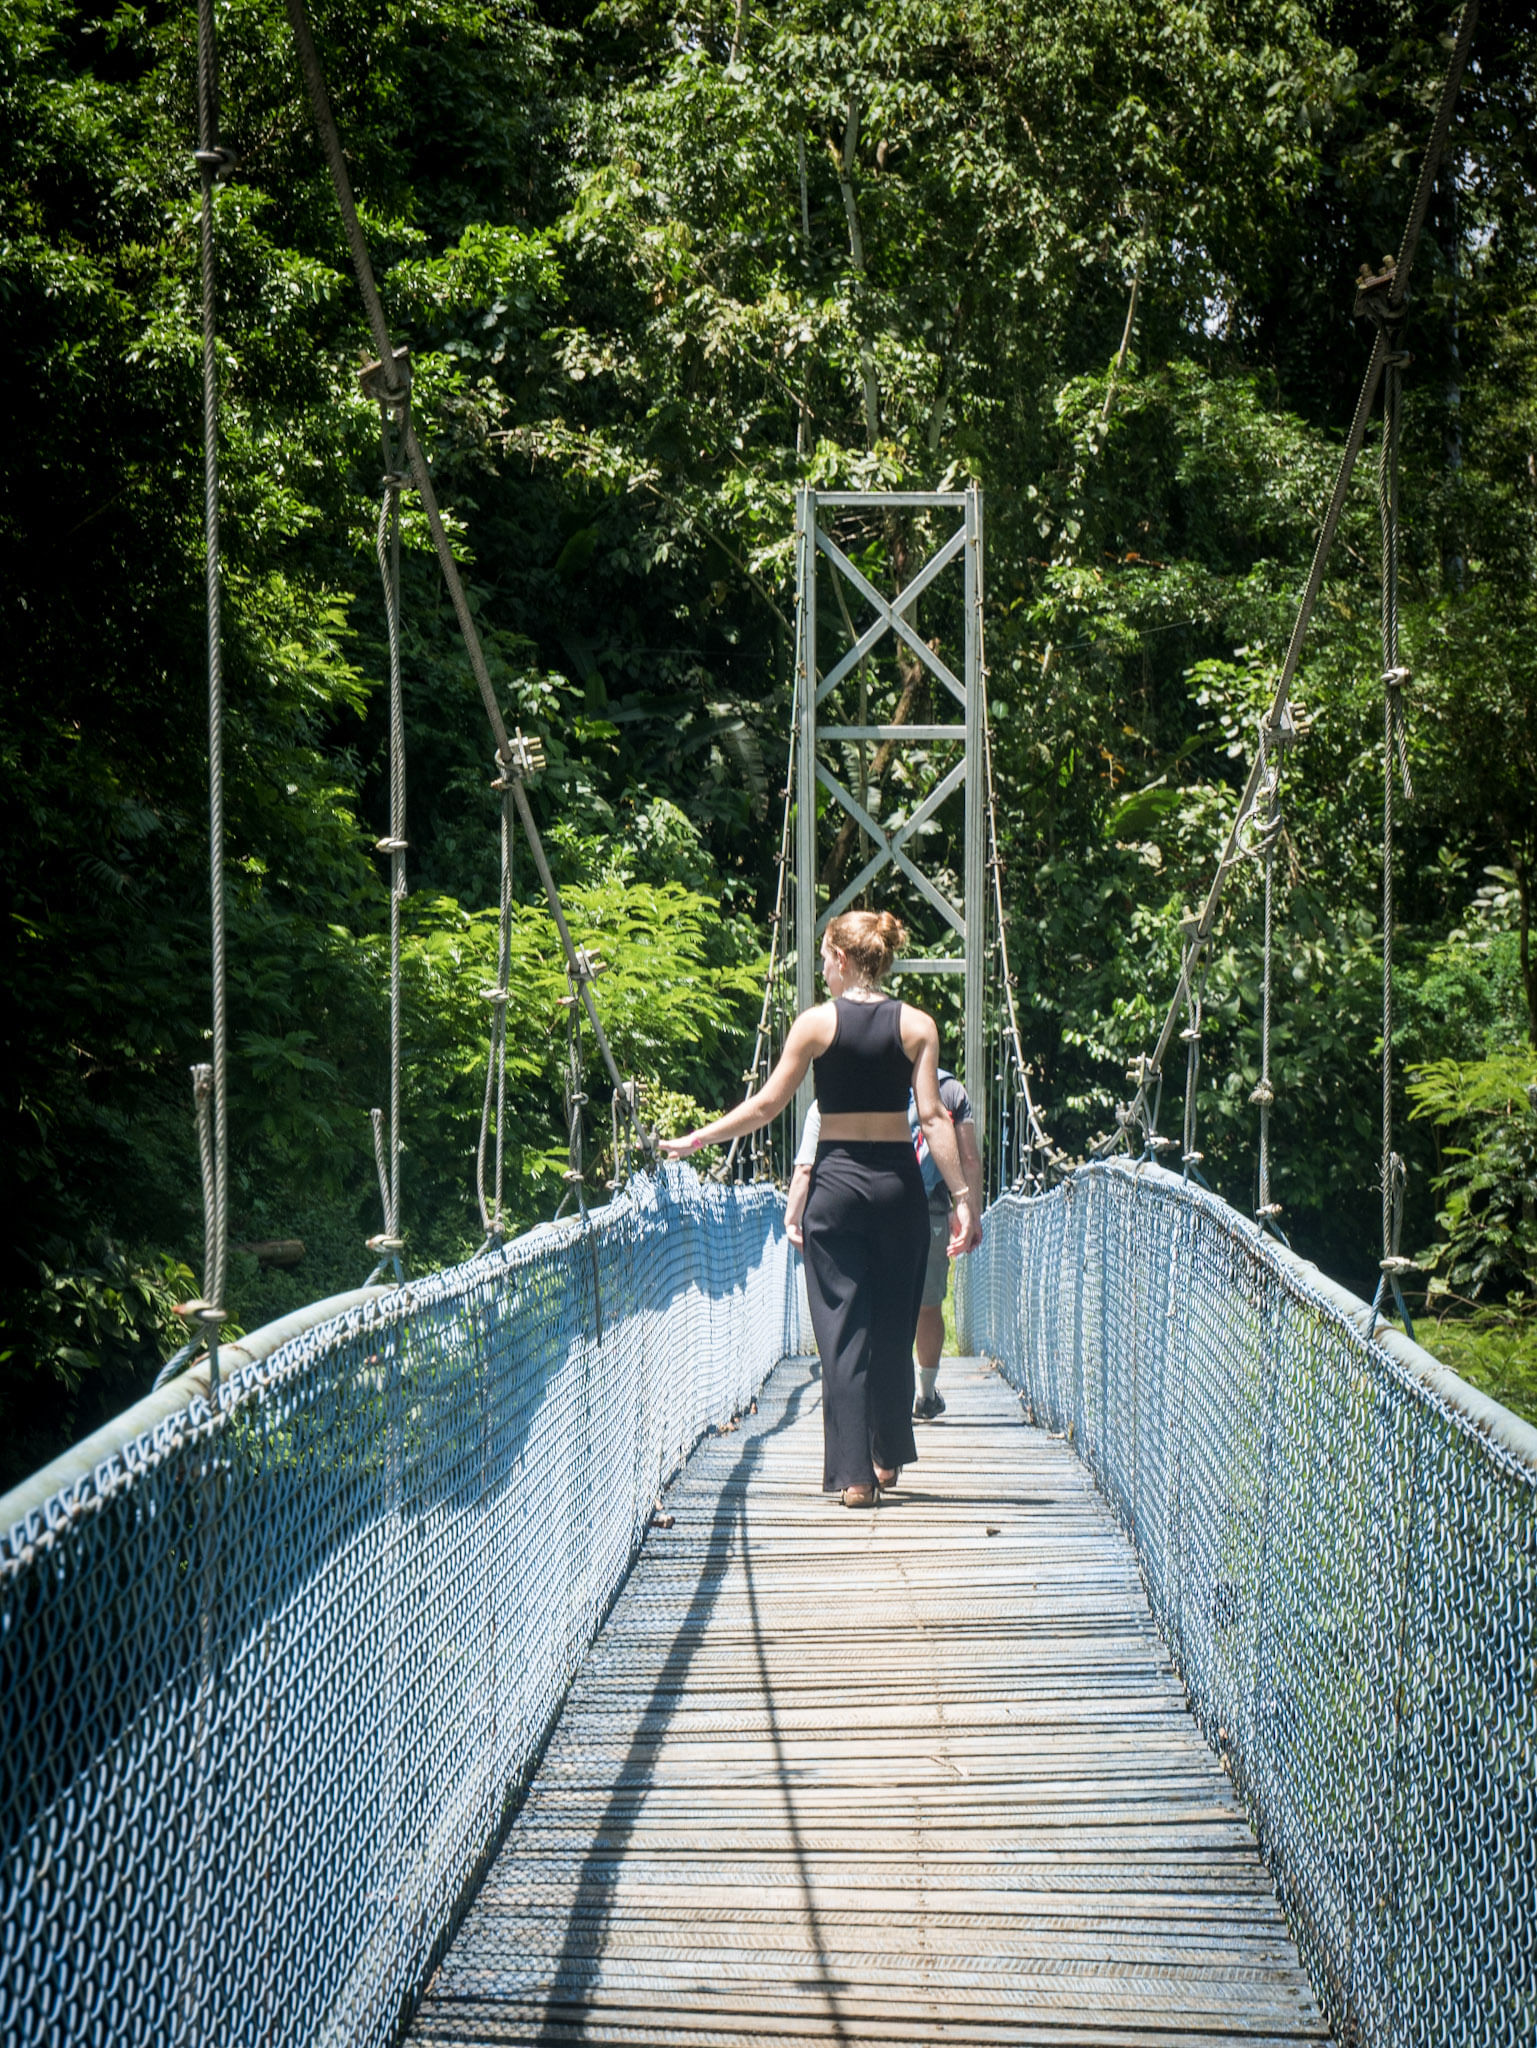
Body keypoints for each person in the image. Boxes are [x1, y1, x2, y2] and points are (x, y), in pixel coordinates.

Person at [659, 910, 980, 1507]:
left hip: (835, 1188)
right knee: (890, 1325)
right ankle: (886, 1458)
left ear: (841, 957)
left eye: (825, 957)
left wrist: (699, 1137)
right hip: (896, 1188)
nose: (823, 968)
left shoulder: (813, 1025)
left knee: (841, 1328)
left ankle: (856, 1476)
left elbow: (766, 1105)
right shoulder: (917, 1025)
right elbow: (935, 1118)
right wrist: (964, 1202)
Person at [786, 1066, 983, 1422]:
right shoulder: (950, 1090)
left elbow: (806, 1166)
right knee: (925, 1303)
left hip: (863, 1202)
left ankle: (868, 1398)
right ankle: (923, 1393)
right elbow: (968, 1158)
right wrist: (967, 1209)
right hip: (927, 1207)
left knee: (868, 1306)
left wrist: (794, 1215)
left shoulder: (856, 1083)